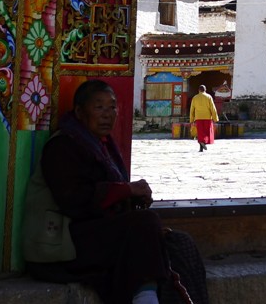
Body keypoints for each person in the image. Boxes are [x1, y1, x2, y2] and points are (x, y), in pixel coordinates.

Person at [24, 79, 202, 304]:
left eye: (112, 107)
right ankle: (145, 298)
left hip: (91, 235)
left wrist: (132, 196)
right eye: (99, 107)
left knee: (178, 243)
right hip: (64, 244)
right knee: (145, 224)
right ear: (79, 112)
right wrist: (125, 191)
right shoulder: (62, 146)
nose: (108, 114)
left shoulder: (102, 146)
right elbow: (75, 200)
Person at [189, 85, 219, 152]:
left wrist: (191, 119)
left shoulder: (195, 98)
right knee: (206, 132)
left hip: (198, 118)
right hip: (207, 117)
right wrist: (215, 118)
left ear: (198, 90)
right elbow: (213, 108)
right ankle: (204, 143)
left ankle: (201, 148)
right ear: (205, 90)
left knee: (200, 132)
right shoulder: (208, 97)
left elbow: (192, 110)